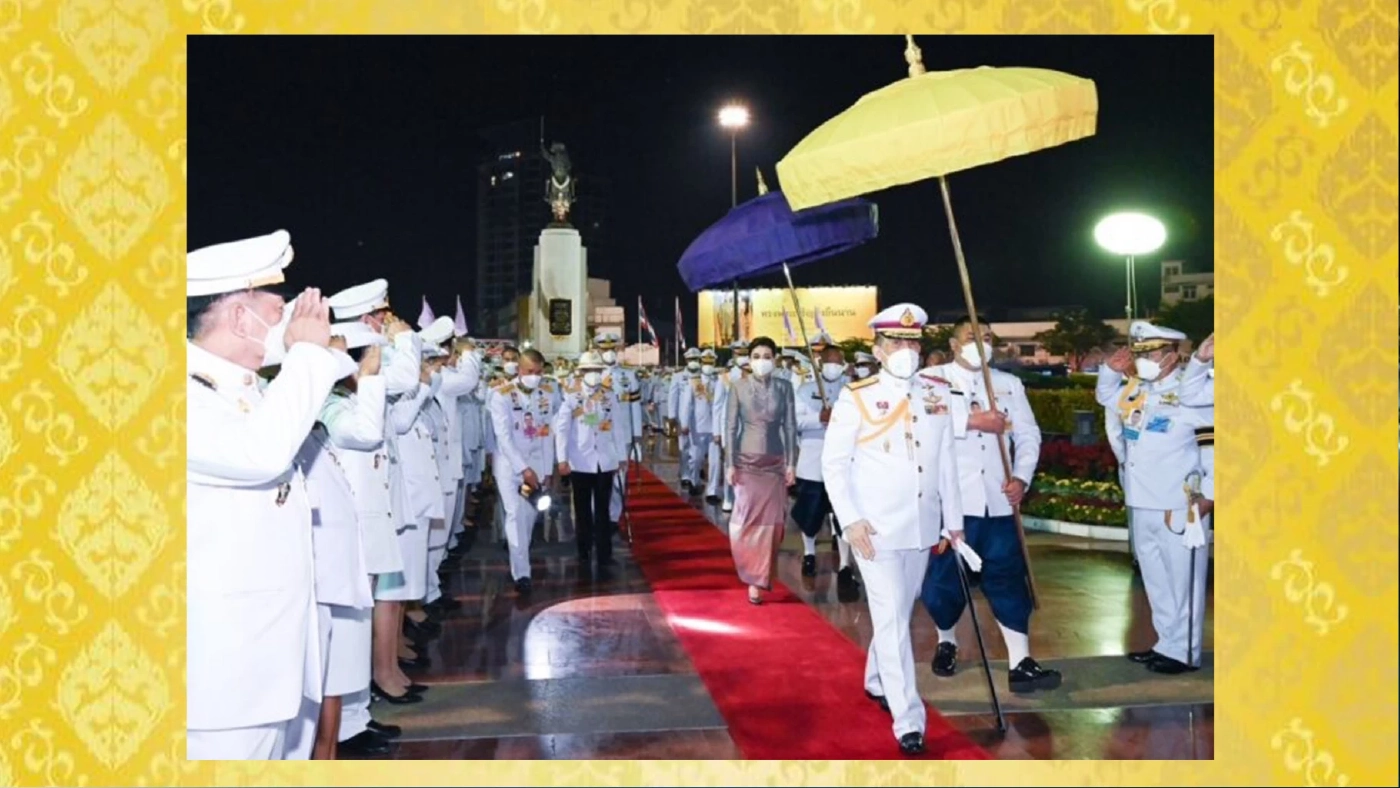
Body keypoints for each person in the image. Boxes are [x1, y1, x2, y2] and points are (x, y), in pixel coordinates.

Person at [186, 229, 343, 760]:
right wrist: (307, 355)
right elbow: (261, 455)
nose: (289, 324)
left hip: (263, 663)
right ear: (239, 317)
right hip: (222, 678)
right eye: (279, 311)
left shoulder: (242, 391)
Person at [821, 302, 965, 757]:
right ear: (878, 350)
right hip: (875, 529)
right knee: (890, 618)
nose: (905, 350)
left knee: (899, 613)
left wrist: (954, 521)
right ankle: (909, 719)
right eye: (895, 342)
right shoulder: (858, 396)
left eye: (911, 342)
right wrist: (850, 521)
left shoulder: (936, 392)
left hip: (921, 525)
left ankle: (876, 678)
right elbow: (834, 464)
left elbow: (945, 460)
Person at [922, 315, 1061, 693]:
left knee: (1008, 578)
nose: (980, 343)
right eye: (971, 337)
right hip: (954, 504)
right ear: (953, 345)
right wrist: (971, 421)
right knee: (944, 583)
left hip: (998, 501)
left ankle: (1021, 662)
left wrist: (1022, 478)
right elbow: (924, 428)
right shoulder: (932, 381)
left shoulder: (1008, 384)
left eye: (986, 337)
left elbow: (1028, 435)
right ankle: (946, 641)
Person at [1097, 321, 1214, 675]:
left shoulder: (1194, 393)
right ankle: (1167, 643)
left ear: (1172, 356)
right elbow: (1106, 397)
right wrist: (1109, 370)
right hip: (1141, 501)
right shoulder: (1137, 390)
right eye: (1140, 353)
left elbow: (1213, 448)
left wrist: (1209, 496)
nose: (1143, 360)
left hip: (1179, 504)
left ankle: (1186, 651)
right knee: (1156, 580)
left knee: (1183, 581)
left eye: (1151, 353)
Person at [723, 337, 798, 605]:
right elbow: (730, 427)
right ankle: (750, 573)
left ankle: (760, 578)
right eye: (756, 356)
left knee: (773, 524)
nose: (762, 361)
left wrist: (791, 463)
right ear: (749, 359)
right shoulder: (738, 387)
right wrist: (729, 464)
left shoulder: (784, 387)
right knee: (745, 521)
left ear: (774, 359)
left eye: (767, 356)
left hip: (775, 463)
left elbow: (790, 426)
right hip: (746, 462)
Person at [488, 348, 560, 594]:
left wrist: (546, 468)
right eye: (530, 371)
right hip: (510, 467)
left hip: (536, 465)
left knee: (528, 518)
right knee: (514, 514)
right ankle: (522, 573)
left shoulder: (547, 394)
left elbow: (547, 434)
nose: (535, 377)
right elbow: (504, 438)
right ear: (519, 370)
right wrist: (523, 469)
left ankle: (521, 557)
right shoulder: (501, 396)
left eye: (539, 372)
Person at [553, 351, 630, 570]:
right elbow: (562, 429)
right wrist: (562, 459)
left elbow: (617, 426)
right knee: (582, 509)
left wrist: (621, 456)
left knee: (603, 510)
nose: (594, 374)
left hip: (604, 460)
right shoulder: (571, 396)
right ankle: (584, 550)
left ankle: (605, 553)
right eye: (589, 370)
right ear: (582, 372)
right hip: (580, 461)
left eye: (597, 370)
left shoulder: (609, 395)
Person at [791, 340, 857, 587]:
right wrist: (818, 417)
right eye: (829, 361)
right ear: (820, 364)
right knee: (810, 514)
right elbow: (795, 421)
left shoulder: (852, 390)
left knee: (842, 514)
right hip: (813, 462)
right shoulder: (805, 390)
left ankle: (844, 564)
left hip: (845, 462)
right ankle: (809, 554)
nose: (833, 366)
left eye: (838, 362)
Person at [677, 348, 718, 495]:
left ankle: (712, 490)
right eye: (705, 362)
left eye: (711, 362)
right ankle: (695, 481)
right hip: (698, 426)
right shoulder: (693, 381)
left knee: (715, 461)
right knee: (696, 458)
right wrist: (685, 423)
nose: (708, 365)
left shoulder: (720, 380)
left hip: (716, 427)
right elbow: (687, 404)